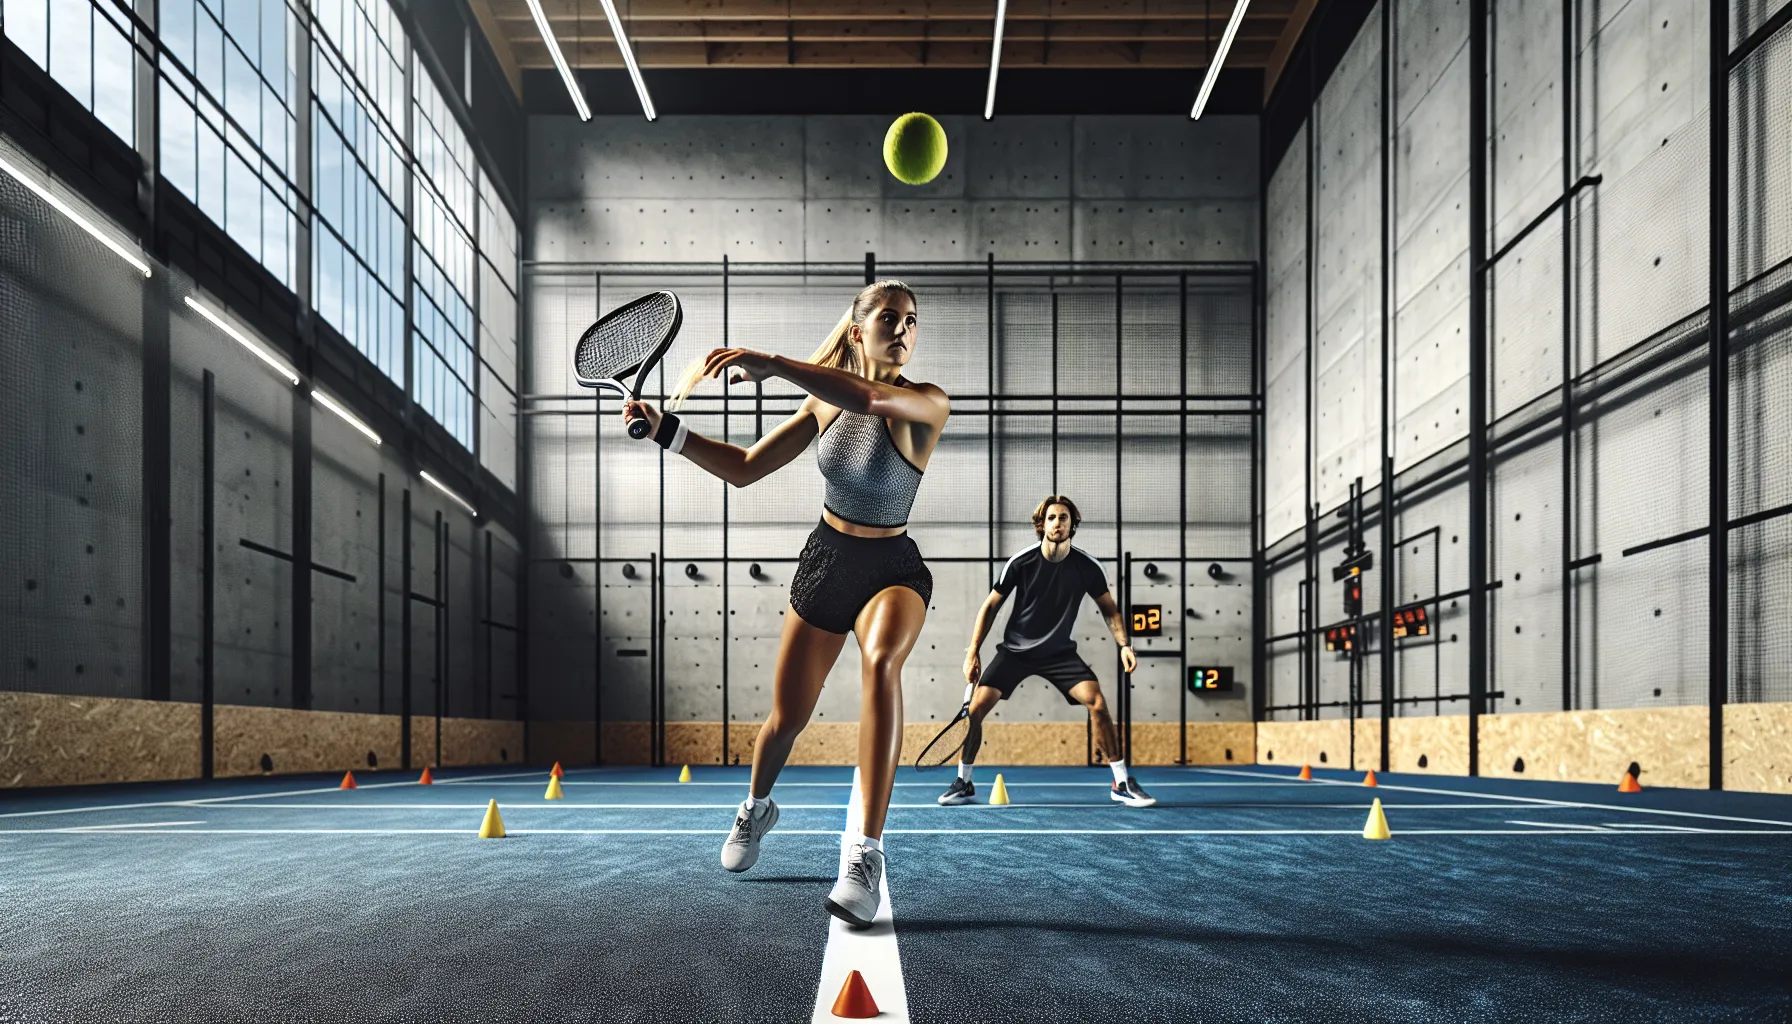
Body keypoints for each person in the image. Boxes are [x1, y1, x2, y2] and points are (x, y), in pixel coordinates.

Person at [619, 280, 949, 929]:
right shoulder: (825, 406)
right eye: (889, 317)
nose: (904, 329)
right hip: (828, 560)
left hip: (894, 568)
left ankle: (865, 855)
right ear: (859, 329)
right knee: (784, 720)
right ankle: (757, 806)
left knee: (881, 665)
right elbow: (744, 467)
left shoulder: (925, 402)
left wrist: (772, 362)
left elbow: (867, 394)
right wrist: (668, 431)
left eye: (912, 320)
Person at [940, 495, 1157, 808]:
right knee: (975, 710)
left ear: (1072, 525)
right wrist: (972, 651)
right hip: (1015, 652)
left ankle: (1121, 781)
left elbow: (1110, 610)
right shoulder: (1021, 562)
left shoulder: (1087, 567)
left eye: (1064, 518)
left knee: (1097, 703)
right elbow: (990, 606)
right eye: (1052, 518)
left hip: (1059, 654)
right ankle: (964, 781)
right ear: (1041, 525)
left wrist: (1125, 645)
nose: (1059, 523)